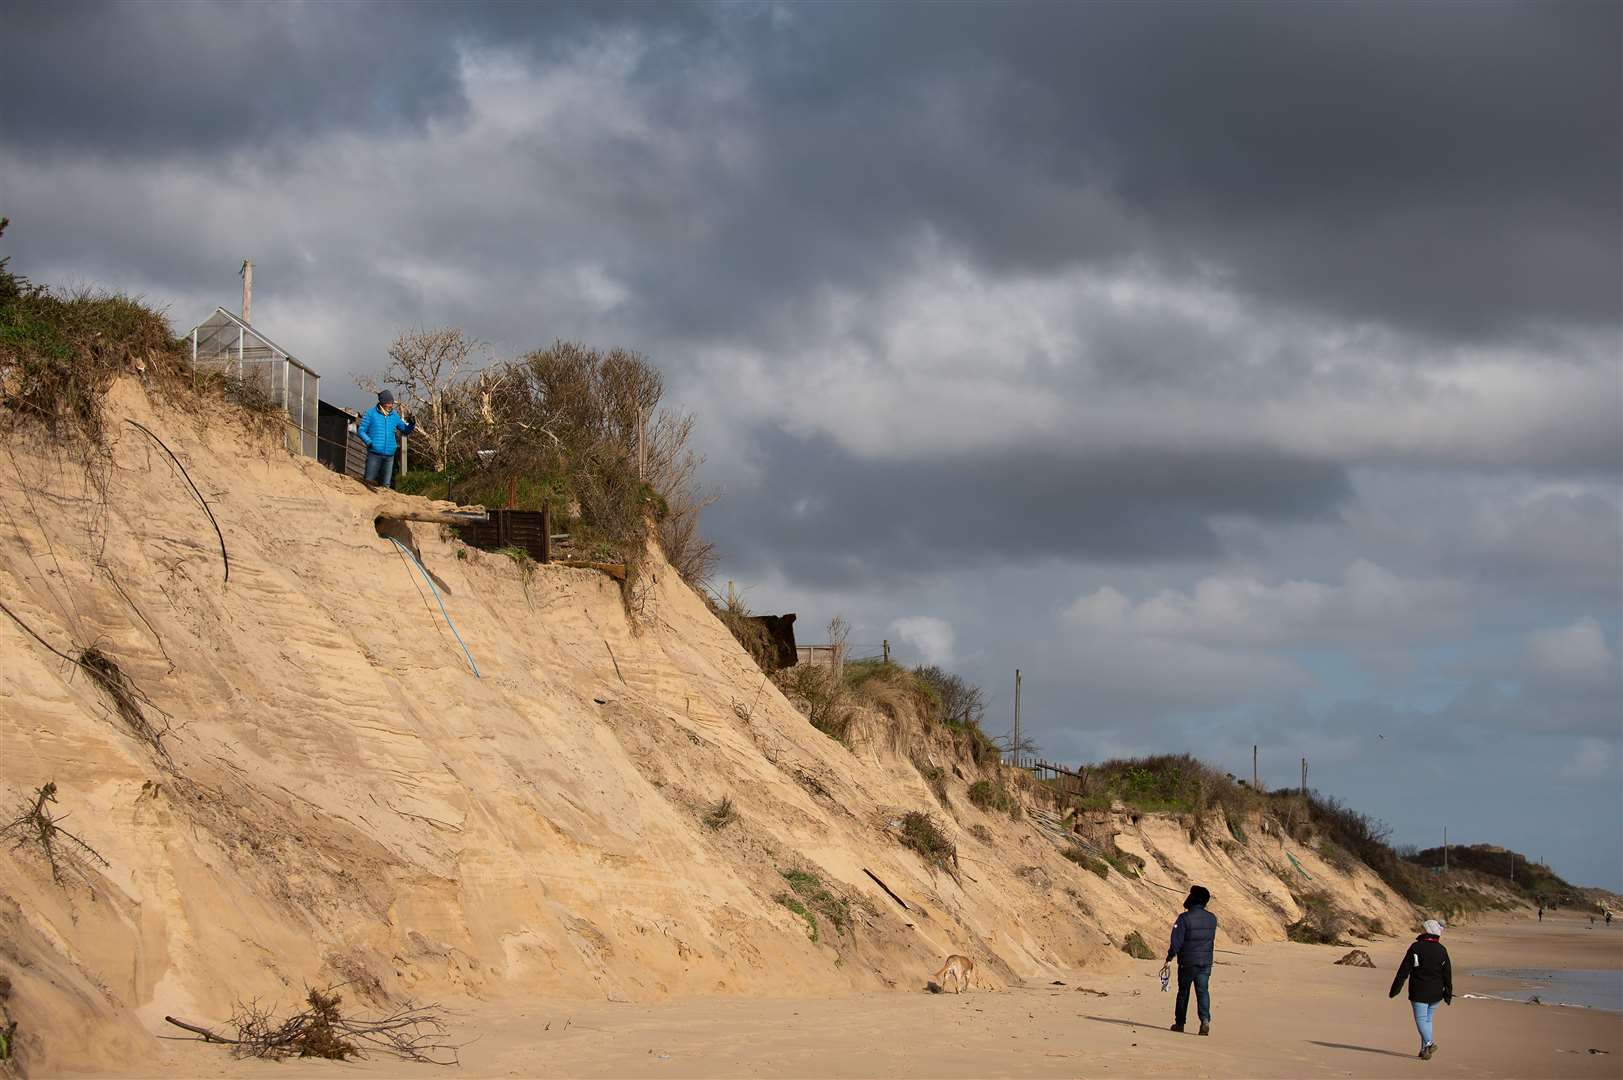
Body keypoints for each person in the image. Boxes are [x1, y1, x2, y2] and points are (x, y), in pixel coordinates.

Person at [1390, 919, 1452, 1061]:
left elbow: (1404, 970)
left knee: (1421, 1020)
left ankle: (1429, 1043)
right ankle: (1425, 1051)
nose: (1420, 930)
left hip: (1419, 991)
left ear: (1427, 930)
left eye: (1422, 928)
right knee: (1428, 1020)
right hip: (1436, 992)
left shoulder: (1416, 947)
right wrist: (1447, 993)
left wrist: (1395, 989)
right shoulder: (1442, 950)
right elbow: (1447, 973)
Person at [1164, 885, 1217, 1035]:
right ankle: (1205, 1021)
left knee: (1183, 992)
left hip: (1187, 961)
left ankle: (1180, 1023)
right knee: (1203, 991)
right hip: (1205, 962)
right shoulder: (1212, 919)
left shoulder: (1184, 918)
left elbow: (1176, 942)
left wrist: (1169, 957)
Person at [356, 390, 415, 489]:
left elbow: (405, 430)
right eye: (388, 403)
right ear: (382, 403)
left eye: (391, 403)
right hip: (374, 453)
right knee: (368, 482)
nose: (390, 405)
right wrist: (369, 442)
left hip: (389, 455)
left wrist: (412, 424)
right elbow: (361, 430)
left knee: (386, 486)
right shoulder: (370, 413)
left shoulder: (394, 416)